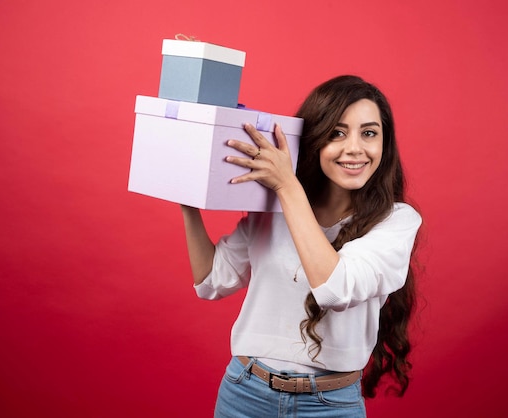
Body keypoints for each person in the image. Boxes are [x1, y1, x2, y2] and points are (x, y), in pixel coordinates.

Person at [181, 75, 422, 417]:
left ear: (384, 145)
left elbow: (334, 288)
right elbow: (211, 282)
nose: (354, 148)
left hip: (330, 406)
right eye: (337, 133)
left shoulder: (397, 221)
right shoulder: (275, 208)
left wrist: (286, 185)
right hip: (245, 394)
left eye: (369, 133)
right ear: (314, 140)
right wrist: (185, 200)